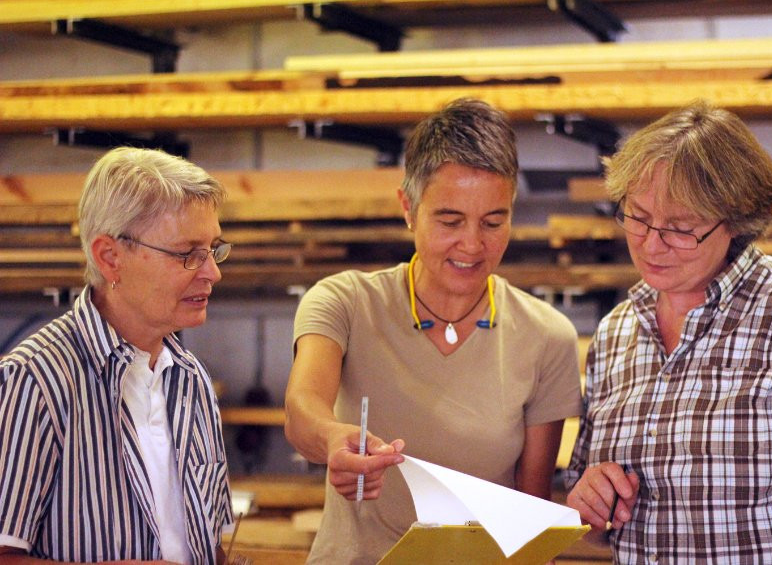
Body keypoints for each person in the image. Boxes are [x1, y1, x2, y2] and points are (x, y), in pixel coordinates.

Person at [284, 97, 583, 564]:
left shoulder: (547, 336)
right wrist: (331, 440)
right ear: (408, 207)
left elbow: (531, 518)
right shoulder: (345, 302)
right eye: (449, 220)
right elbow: (302, 410)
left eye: (493, 222)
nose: (472, 244)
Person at [564, 99, 772, 563]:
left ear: (735, 223)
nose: (652, 244)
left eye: (681, 227)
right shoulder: (617, 331)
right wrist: (589, 502)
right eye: (637, 216)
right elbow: (589, 523)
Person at [0, 147, 234, 564]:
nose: (212, 272)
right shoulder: (35, 381)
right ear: (110, 257)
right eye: (188, 254)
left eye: (214, 250)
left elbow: (209, 544)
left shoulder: (190, 379)